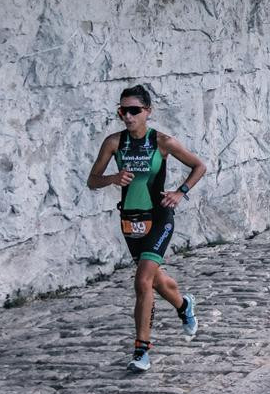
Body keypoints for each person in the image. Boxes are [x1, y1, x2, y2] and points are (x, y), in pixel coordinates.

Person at [86, 85, 207, 372]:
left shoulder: (163, 142)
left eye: (134, 111)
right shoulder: (114, 143)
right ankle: (183, 305)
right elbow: (93, 180)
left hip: (159, 217)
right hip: (130, 220)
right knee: (155, 280)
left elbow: (199, 166)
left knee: (142, 281)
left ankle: (141, 352)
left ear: (147, 112)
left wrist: (180, 192)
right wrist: (113, 178)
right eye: (122, 110)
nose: (127, 116)